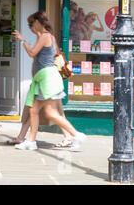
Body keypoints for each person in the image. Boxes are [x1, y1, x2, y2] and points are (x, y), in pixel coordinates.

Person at [12, 11, 87, 150]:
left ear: (38, 22)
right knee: (34, 110)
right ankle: (31, 141)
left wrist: (23, 40)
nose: (31, 26)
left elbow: (32, 53)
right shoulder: (48, 36)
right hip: (44, 77)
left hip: (47, 78)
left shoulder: (45, 36)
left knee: (50, 112)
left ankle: (76, 135)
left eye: (32, 23)